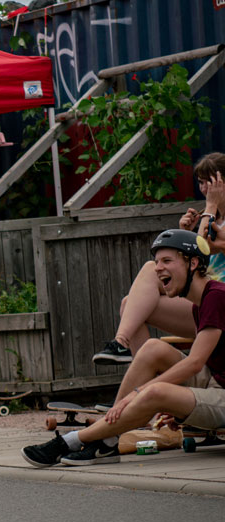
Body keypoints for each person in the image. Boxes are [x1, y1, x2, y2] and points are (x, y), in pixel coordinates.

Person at [22, 229, 225, 467]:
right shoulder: (199, 304)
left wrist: (139, 393)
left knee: (155, 392)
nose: (158, 268)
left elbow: (194, 363)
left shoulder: (217, 296)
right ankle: (107, 441)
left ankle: (71, 441)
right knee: (152, 348)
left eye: (167, 261)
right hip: (216, 383)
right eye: (157, 261)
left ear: (193, 263)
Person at [92, 153, 225, 366]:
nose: (205, 190)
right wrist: (186, 233)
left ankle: (126, 352)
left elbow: (201, 252)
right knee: (129, 305)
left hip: (220, 306)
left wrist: (209, 208)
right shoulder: (209, 218)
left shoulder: (210, 216)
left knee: (149, 269)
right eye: (200, 183)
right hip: (203, 302)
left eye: (210, 182)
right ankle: (139, 382)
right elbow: (195, 260)